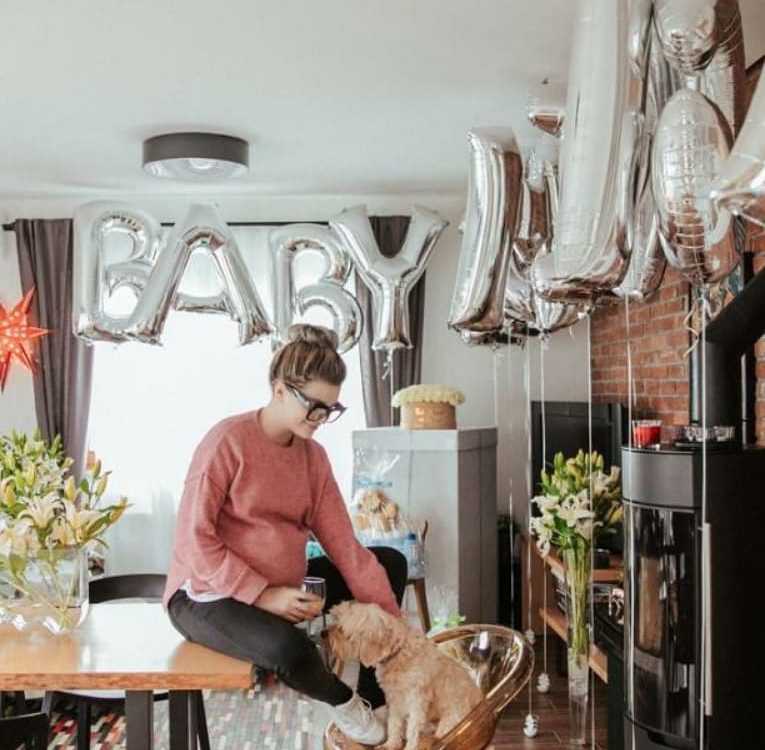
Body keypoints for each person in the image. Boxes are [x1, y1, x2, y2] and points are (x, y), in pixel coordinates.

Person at [163, 324, 407, 745]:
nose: (321, 419)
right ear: (279, 390)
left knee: (389, 562)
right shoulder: (226, 442)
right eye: (314, 407)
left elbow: (347, 550)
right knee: (291, 650)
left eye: (330, 409)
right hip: (204, 595)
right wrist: (263, 595)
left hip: (281, 588)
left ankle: (377, 699)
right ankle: (346, 705)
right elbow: (193, 541)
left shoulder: (314, 459)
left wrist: (398, 632)